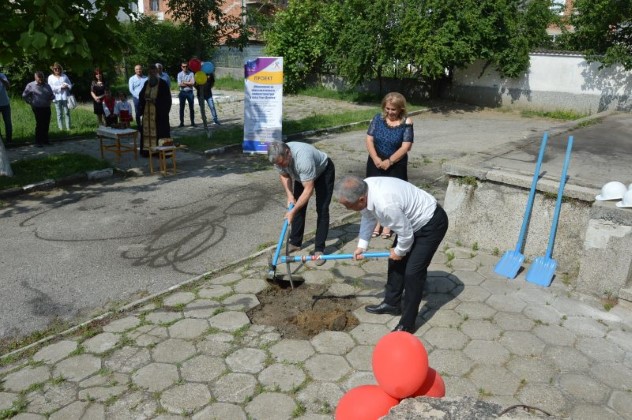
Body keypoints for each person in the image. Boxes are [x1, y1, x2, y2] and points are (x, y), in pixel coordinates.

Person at [334, 175, 448, 333]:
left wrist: (400, 251)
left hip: (431, 223)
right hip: (409, 223)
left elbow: (406, 234)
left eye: (348, 206)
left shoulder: (385, 204)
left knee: (413, 274)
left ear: (361, 199)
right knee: (395, 263)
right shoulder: (365, 188)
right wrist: (362, 246)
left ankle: (407, 325)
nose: (347, 209)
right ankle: (392, 304)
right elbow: (368, 217)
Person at [267, 141, 335, 266]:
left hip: (323, 172)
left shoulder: (302, 158)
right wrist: (290, 195)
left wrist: (292, 211)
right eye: (278, 164)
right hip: (301, 175)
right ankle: (295, 243)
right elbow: (284, 175)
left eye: (282, 163)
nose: (281, 166)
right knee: (298, 207)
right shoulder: (278, 158)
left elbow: (308, 189)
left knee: (322, 209)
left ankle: (319, 249)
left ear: (288, 153)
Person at [366, 92, 414, 239]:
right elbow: (369, 139)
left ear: (400, 109)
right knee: (374, 192)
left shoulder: (407, 122)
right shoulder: (377, 119)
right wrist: (375, 158)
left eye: (393, 109)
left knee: (392, 194)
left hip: (396, 162)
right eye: (387, 108)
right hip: (376, 160)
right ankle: (377, 222)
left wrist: (390, 161)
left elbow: (406, 146)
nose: (390, 112)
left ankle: (389, 224)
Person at [138, 64, 172, 157]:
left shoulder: (163, 84)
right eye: (150, 72)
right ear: (149, 73)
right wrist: (144, 98)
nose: (152, 73)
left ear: (157, 72)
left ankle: (160, 152)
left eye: (154, 72)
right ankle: (147, 151)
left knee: (160, 132)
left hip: (159, 114)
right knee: (146, 132)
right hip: (147, 113)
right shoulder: (146, 83)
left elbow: (167, 99)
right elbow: (141, 95)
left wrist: (156, 101)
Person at [22, 71, 54, 147]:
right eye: (39, 78)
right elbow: (24, 95)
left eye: (42, 77)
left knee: (46, 123)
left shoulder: (47, 86)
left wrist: (51, 98)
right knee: (40, 124)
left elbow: (51, 94)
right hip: (37, 107)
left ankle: (45, 140)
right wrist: (30, 102)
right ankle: (38, 141)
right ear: (35, 78)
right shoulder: (31, 85)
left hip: (46, 107)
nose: (41, 79)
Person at [47, 62, 72, 130]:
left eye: (58, 69)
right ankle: (61, 128)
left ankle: (68, 127)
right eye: (55, 69)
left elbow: (70, 85)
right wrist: (60, 87)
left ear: (60, 69)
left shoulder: (64, 76)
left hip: (65, 97)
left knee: (67, 112)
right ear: (53, 70)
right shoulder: (50, 77)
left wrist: (67, 86)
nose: (57, 70)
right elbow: (50, 88)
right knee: (59, 113)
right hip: (56, 97)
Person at [128, 64, 147, 129]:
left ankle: (145, 125)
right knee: (138, 112)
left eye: (140, 69)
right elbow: (131, 89)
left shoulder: (146, 78)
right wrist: (138, 96)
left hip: (145, 98)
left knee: (145, 111)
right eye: (137, 69)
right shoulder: (132, 79)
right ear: (135, 70)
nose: (138, 70)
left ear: (142, 69)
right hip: (136, 98)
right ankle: (139, 126)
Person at [177, 61, 195, 127]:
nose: (185, 68)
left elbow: (193, 83)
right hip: (182, 92)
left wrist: (184, 82)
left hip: (190, 92)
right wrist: (188, 83)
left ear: (188, 67)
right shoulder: (179, 74)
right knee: (181, 108)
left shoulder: (191, 73)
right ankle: (181, 123)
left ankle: (192, 122)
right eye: (183, 66)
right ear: (181, 67)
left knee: (191, 108)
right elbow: (179, 84)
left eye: (186, 66)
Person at [0, 72, 12, 144]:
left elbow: (8, 87)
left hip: (5, 104)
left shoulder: (2, 75)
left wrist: (1, 79)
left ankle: (9, 140)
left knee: (8, 122)